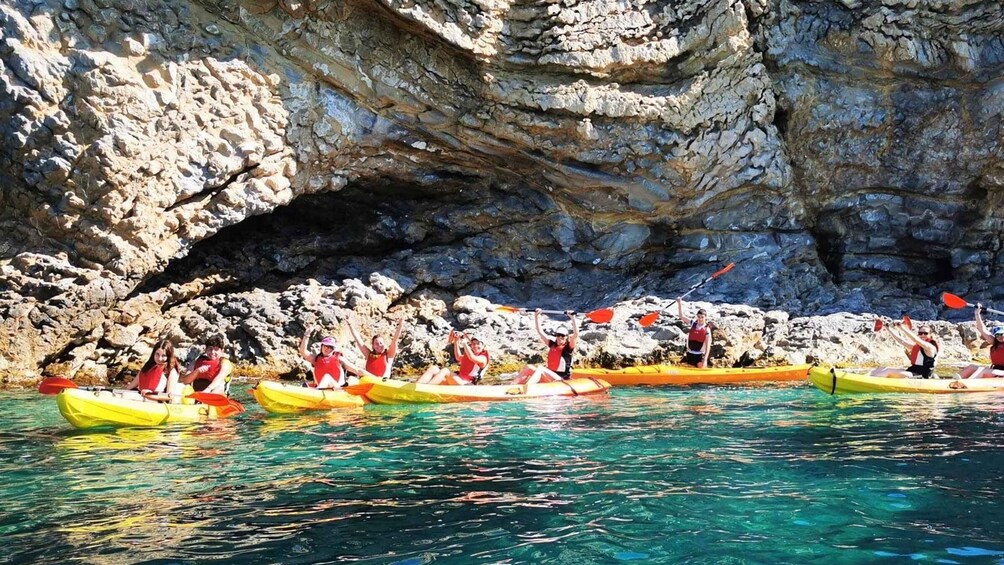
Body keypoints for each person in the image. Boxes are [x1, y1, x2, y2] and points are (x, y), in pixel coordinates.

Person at [514, 309, 578, 385]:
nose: (560, 337)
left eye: (563, 335)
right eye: (558, 335)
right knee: (529, 367)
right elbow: (539, 331)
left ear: (566, 337)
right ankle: (510, 386)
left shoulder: (568, 348)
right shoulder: (552, 344)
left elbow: (576, 334)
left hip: (562, 380)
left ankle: (527, 388)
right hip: (550, 376)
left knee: (541, 369)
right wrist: (536, 316)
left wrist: (572, 317)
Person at [299, 325, 369, 389]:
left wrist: (375, 378)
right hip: (322, 388)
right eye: (326, 346)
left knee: (329, 377)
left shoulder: (340, 359)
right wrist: (306, 334)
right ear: (322, 346)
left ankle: (316, 392)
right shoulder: (315, 359)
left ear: (334, 349)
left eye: (330, 347)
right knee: (304, 385)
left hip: (337, 389)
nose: (327, 349)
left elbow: (357, 370)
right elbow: (303, 351)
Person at [416, 331, 489, 385]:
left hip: (467, 384)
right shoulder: (470, 353)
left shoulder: (483, 358)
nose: (475, 346)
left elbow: (472, 358)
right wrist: (456, 341)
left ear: (483, 346)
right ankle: (416, 386)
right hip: (457, 379)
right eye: (473, 344)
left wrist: (464, 342)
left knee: (445, 370)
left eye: (478, 344)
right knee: (434, 368)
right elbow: (458, 357)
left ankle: (427, 389)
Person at [870, 323, 938, 378]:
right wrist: (888, 329)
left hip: (922, 375)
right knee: (881, 369)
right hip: (913, 371)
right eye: (920, 333)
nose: (923, 335)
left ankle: (870, 382)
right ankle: (866, 378)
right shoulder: (918, 346)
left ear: (930, 335)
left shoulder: (930, 347)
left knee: (887, 372)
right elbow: (902, 341)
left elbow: (916, 339)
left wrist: (903, 328)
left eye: (925, 333)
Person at [958, 305, 1004, 379]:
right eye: (998, 335)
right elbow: (982, 329)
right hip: (995, 369)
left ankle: (967, 384)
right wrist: (977, 314)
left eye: (1002, 334)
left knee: (983, 371)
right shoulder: (995, 342)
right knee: (971, 367)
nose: (1000, 336)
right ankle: (952, 381)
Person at [677, 297, 712, 368]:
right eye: (699, 317)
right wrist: (679, 303)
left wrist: (705, 360)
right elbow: (681, 316)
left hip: (699, 356)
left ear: (705, 317)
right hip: (690, 354)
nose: (700, 319)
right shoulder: (693, 323)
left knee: (700, 368)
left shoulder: (707, 330)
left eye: (702, 317)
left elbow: (708, 347)